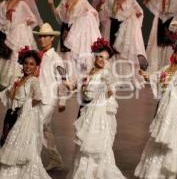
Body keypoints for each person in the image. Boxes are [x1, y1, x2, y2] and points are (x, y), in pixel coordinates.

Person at [135, 42, 177, 179]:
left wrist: (168, 86)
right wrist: (146, 74)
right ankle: (156, 172)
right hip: (163, 107)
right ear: (174, 53)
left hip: (174, 109)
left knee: (171, 138)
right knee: (159, 138)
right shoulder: (166, 68)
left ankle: (169, 172)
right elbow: (155, 78)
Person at [67, 37, 125, 179]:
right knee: (84, 144)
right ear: (94, 56)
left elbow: (111, 89)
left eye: (105, 58)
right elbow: (77, 87)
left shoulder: (105, 73)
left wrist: (107, 89)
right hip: (85, 110)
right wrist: (70, 85)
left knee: (95, 144)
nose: (101, 60)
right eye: (99, 56)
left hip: (98, 115)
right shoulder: (88, 73)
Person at [0, 48, 51, 179]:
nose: (28, 66)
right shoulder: (19, 79)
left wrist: (26, 108)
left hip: (22, 118)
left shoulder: (33, 81)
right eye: (26, 63)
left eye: (32, 64)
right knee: (6, 142)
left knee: (20, 148)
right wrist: (10, 93)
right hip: (11, 115)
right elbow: (8, 95)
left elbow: (39, 97)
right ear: (22, 64)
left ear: (36, 67)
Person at [48, 0, 101, 84]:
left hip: (76, 32)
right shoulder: (64, 0)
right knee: (65, 55)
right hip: (65, 29)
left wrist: (87, 17)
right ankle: (64, 80)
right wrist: (51, 5)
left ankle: (74, 80)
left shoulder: (83, 1)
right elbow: (58, 15)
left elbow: (93, 13)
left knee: (73, 55)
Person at [101, 0, 147, 89]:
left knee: (123, 53)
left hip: (125, 29)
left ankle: (125, 78)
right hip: (112, 26)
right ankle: (113, 78)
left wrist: (131, 17)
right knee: (112, 51)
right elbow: (104, 11)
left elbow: (140, 12)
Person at [32, 23, 66, 171]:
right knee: (45, 131)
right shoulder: (39, 56)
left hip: (49, 100)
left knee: (35, 128)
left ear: (52, 38)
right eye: (40, 36)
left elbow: (63, 80)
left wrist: (62, 101)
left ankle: (33, 162)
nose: (42, 39)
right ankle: (56, 159)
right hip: (37, 99)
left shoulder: (56, 59)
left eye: (45, 36)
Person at [0, 0, 37, 88]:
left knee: (16, 56)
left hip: (19, 35)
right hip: (6, 34)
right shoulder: (3, 4)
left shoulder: (22, 4)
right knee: (5, 58)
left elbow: (32, 18)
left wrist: (24, 23)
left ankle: (16, 82)